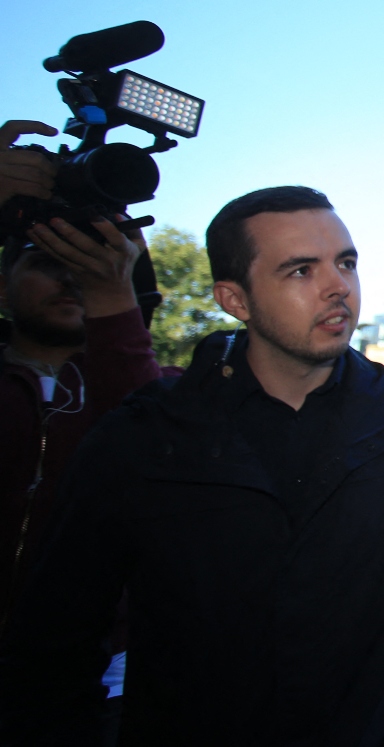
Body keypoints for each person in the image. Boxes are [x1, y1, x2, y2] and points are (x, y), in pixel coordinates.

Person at [0, 186, 384, 746]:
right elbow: (58, 637)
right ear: (235, 299)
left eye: (345, 263)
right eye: (300, 270)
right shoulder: (149, 428)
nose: (337, 286)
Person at [0, 119, 180, 732]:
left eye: (87, 257)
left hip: (94, 676)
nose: (69, 276)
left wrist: (116, 305)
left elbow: (154, 460)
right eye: (46, 259)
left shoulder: (147, 384)